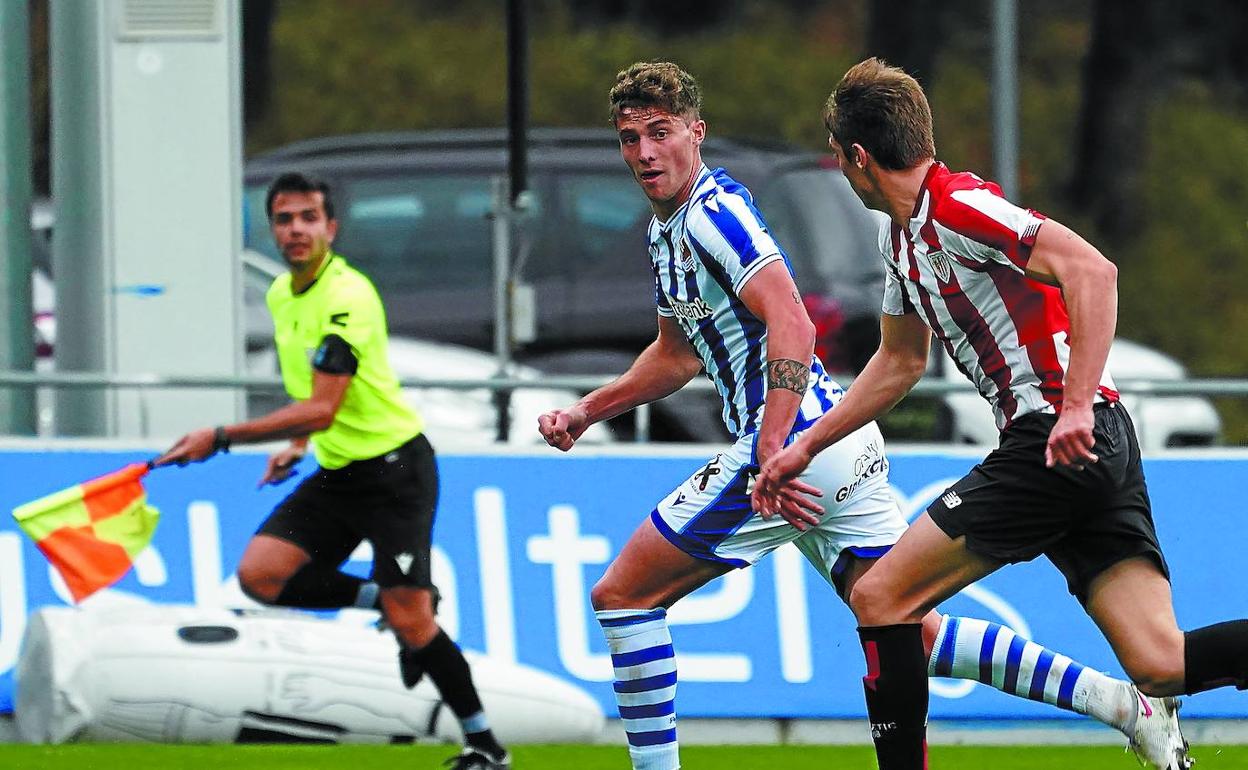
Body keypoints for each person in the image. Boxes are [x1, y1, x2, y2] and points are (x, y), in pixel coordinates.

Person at [538, 61, 1186, 770]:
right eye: (629, 138)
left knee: (624, 596)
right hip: (828, 440)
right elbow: (676, 355)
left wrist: (775, 448)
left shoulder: (713, 214)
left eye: (660, 133)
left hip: (787, 440)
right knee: (906, 621)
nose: (644, 152)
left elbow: (792, 321)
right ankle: (1121, 705)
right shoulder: (667, 233)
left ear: (697, 133)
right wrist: (588, 410)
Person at [755, 57, 1248, 770]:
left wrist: (1073, 407)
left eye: (836, 153)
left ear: (858, 158)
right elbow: (899, 362)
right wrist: (803, 447)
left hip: (1058, 437)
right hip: (1090, 446)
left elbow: (1093, 271)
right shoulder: (899, 240)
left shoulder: (959, 207)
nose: (838, 166)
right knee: (1162, 663)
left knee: (883, 596)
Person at [157, 172, 510, 770]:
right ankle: (387, 597)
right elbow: (312, 398)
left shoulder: (349, 297)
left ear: (331, 228)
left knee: (414, 623)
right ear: (272, 229)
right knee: (260, 576)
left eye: (308, 218)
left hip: (396, 473)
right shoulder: (281, 294)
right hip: (341, 469)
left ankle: (486, 747)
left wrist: (219, 438)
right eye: (284, 219)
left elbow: (323, 406)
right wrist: (296, 444)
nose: (296, 229)